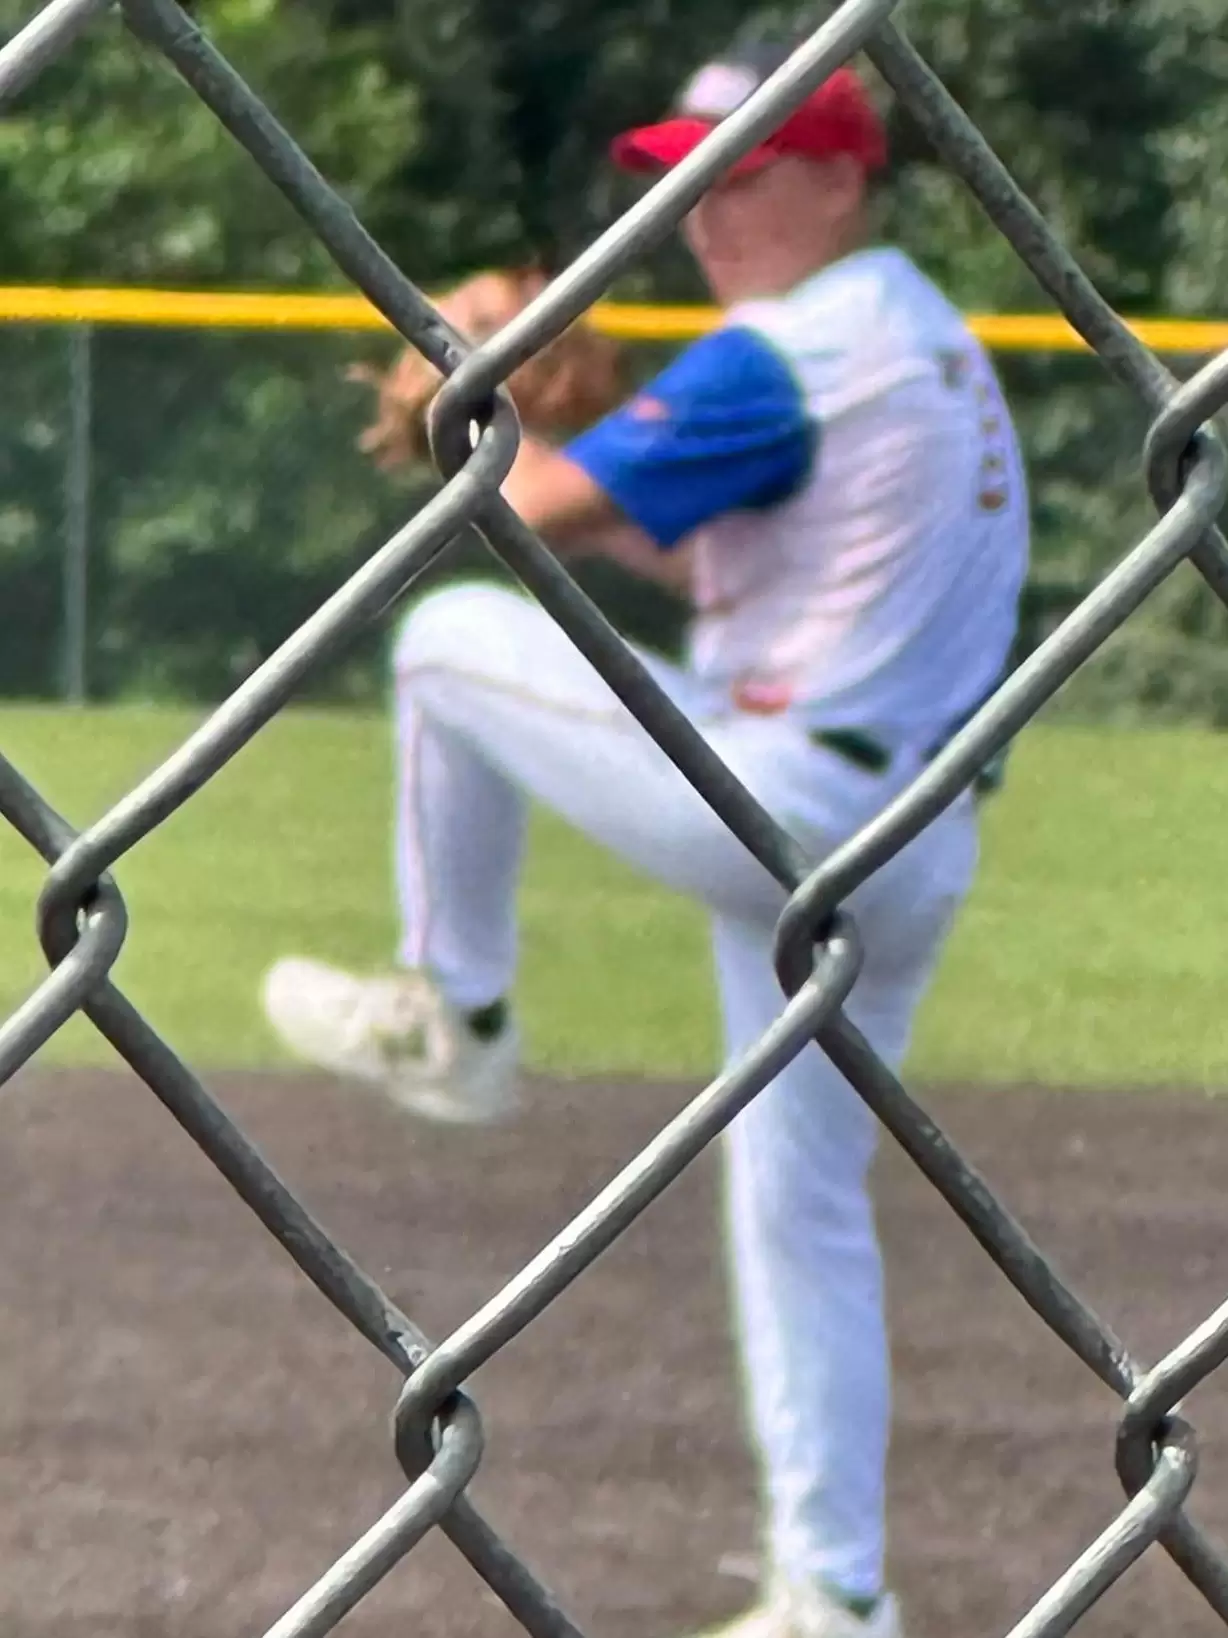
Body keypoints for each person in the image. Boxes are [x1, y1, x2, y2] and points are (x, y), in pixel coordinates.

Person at [261, 36, 1030, 1638]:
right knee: (799, 1207)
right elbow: (707, 557)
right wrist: (565, 437)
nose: (702, 210)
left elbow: (528, 510)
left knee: (447, 645)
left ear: (842, 177)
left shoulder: (788, 352)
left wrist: (469, 403)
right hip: (909, 838)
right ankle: (837, 1595)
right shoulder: (919, 337)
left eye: (742, 173)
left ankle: (458, 1011)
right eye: (687, 178)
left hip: (790, 801)